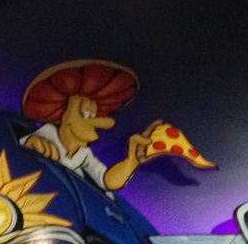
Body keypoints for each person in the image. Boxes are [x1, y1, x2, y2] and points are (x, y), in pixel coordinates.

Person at [20, 60, 158, 192]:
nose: (99, 122)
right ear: (65, 116)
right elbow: (26, 145)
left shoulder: (84, 154)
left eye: (94, 115)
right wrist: (31, 145)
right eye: (84, 114)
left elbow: (107, 180)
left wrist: (132, 161)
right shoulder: (48, 133)